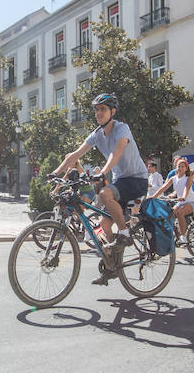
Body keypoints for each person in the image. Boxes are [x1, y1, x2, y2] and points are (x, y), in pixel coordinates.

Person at [48, 93, 148, 284]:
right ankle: (112, 266)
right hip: (120, 181)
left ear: (113, 111)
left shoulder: (121, 128)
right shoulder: (96, 134)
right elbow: (74, 155)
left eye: (103, 109)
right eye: (96, 109)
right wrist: (55, 173)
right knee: (103, 224)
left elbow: (116, 152)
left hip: (136, 179)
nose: (98, 112)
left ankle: (125, 234)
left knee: (105, 192)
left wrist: (102, 172)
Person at [151, 156, 194, 243]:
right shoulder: (173, 178)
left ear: (186, 168)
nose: (180, 168)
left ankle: (183, 236)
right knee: (169, 214)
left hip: (191, 202)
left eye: (182, 166)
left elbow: (186, 188)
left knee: (180, 213)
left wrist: (183, 197)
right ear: (176, 167)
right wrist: (153, 196)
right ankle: (174, 233)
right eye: (179, 166)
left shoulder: (188, 178)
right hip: (180, 202)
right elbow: (163, 188)